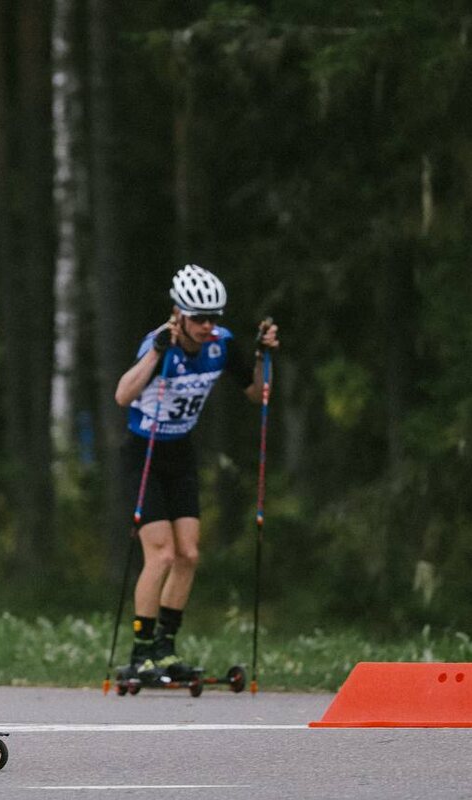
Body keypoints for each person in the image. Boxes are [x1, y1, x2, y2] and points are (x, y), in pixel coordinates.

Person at [113, 264, 279, 682]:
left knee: (188, 554)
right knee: (162, 553)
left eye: (213, 318)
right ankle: (140, 653)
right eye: (199, 318)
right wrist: (156, 352)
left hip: (180, 453)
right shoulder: (159, 343)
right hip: (144, 452)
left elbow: (258, 394)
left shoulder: (221, 345)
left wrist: (263, 356)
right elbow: (123, 395)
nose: (208, 326)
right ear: (178, 315)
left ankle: (166, 651)